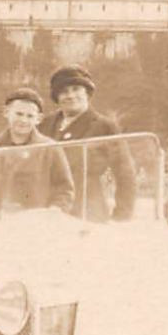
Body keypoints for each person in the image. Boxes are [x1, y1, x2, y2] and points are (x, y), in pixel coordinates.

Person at [39, 66, 136, 221]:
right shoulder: (44, 124)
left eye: (76, 89)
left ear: (87, 93)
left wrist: (122, 216)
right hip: (48, 210)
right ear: (57, 97)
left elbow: (125, 174)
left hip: (87, 211)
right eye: (64, 91)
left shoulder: (105, 126)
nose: (70, 96)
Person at [0, 87, 75, 213]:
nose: (23, 120)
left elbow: (65, 189)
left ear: (38, 119)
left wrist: (54, 211)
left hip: (38, 222)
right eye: (18, 114)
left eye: (30, 116)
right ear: (6, 112)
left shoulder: (50, 148)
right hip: (1, 222)